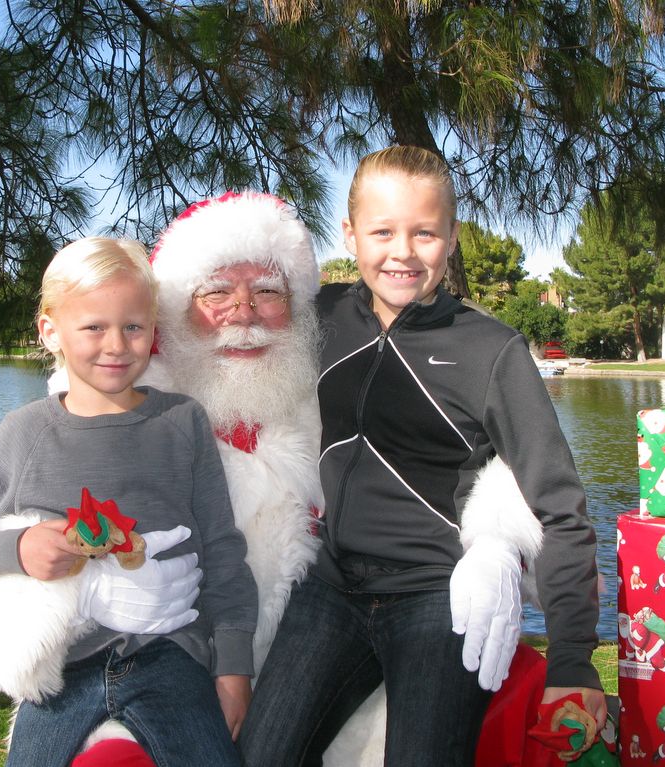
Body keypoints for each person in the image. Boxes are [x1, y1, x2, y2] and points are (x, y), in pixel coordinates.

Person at [64, 191, 544, 766]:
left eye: (267, 291)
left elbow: (475, 457)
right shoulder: (127, 411)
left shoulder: (331, 389)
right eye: (215, 291)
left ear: (298, 307)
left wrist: (497, 541)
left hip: (334, 639)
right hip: (168, 663)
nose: (243, 313)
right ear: (174, 310)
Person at [237, 146, 606, 766]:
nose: (402, 252)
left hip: (439, 598)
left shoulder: (492, 350)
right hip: (330, 589)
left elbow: (561, 509)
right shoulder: (320, 318)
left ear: (452, 237)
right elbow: (222, 335)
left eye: (425, 232)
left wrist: (574, 660)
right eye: (382, 231)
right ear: (350, 234)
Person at [0, 237, 258, 767]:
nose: (117, 345)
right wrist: (20, 548)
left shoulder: (182, 422)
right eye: (93, 327)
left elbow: (221, 549)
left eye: (133, 326)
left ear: (154, 330)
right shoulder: (24, 433)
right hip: (64, 668)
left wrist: (234, 668)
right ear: (50, 332)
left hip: (172, 657)